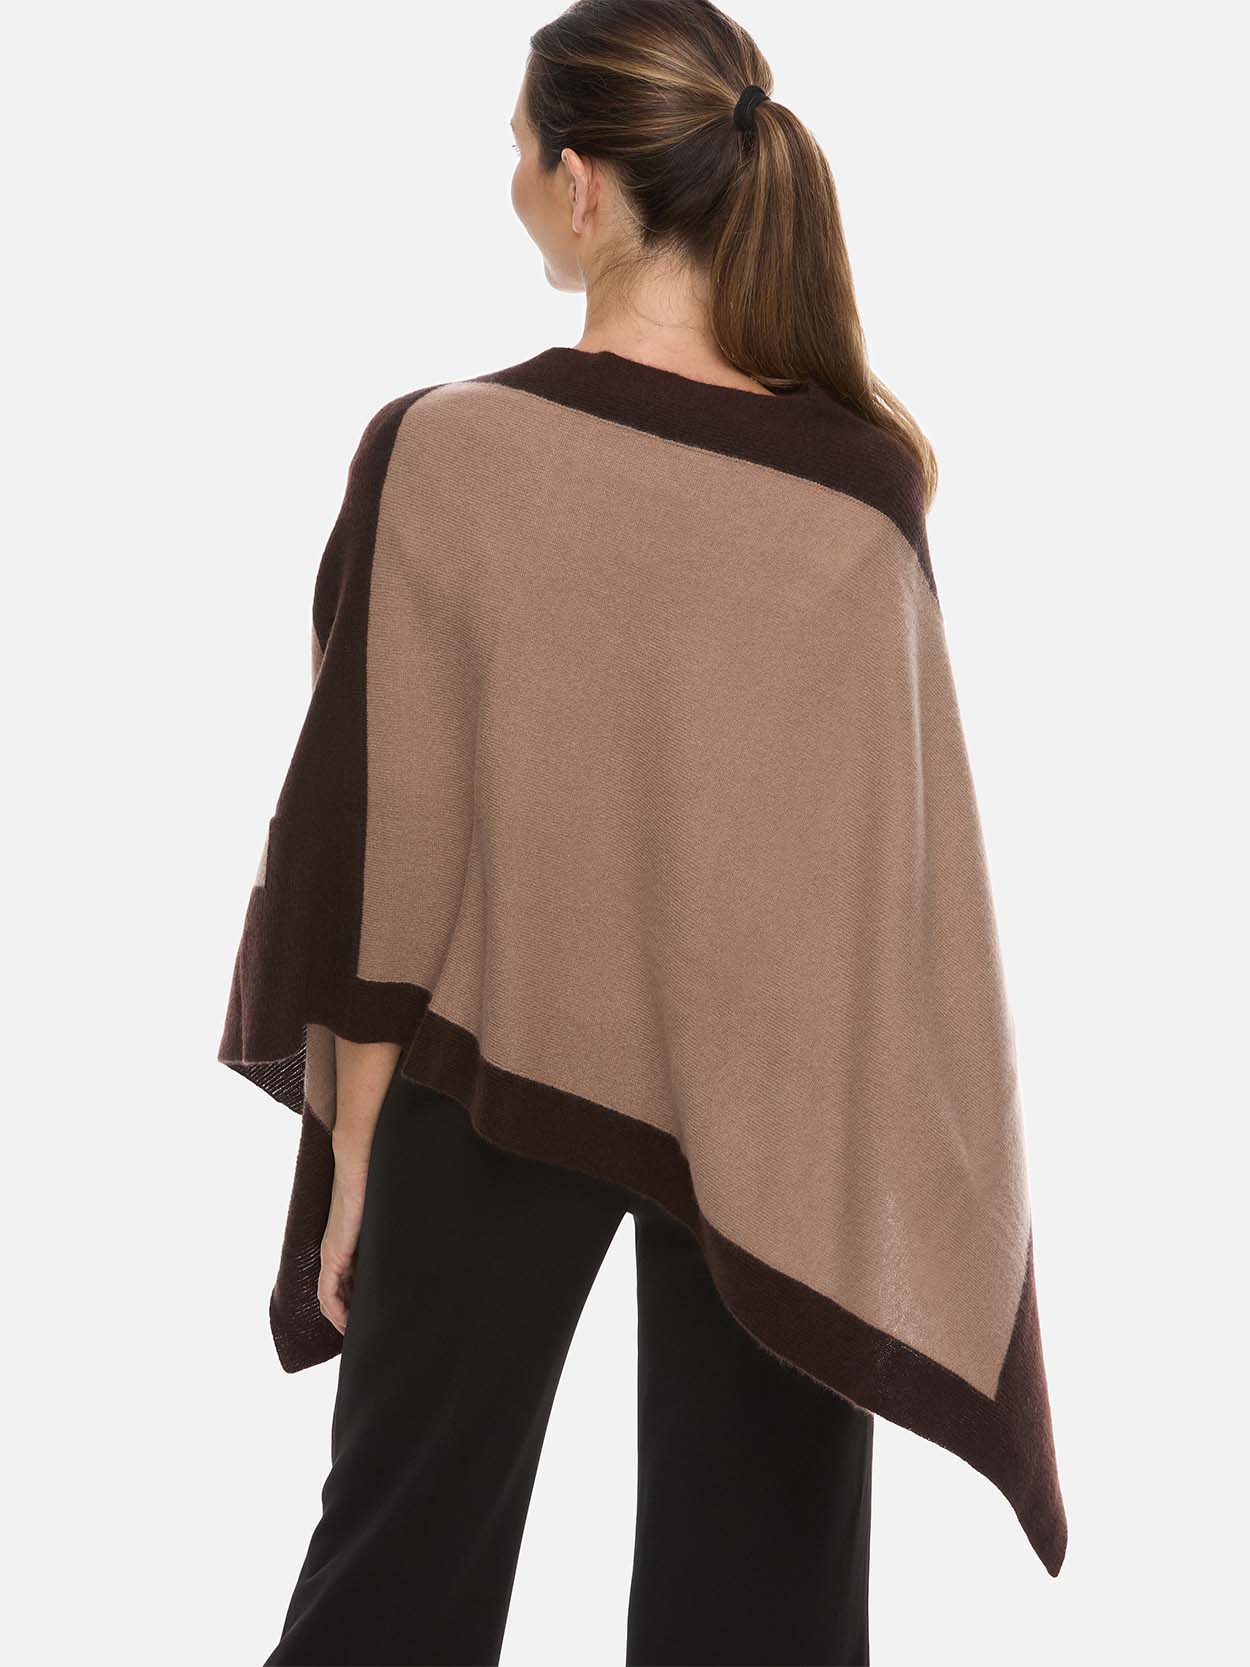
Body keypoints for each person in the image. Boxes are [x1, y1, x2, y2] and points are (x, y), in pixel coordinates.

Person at [217, 2, 1067, 1662]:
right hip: (780, 1118)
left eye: (513, 150)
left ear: (581, 180)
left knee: (397, 1565)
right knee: (764, 1603)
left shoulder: (443, 448)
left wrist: (354, 1150)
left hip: (485, 1068)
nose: (510, 183)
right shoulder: (856, 486)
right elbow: (878, 892)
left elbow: (384, 838)